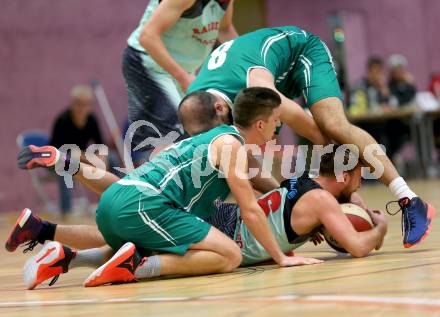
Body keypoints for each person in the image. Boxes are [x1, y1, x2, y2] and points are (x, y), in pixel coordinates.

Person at [11, 87, 322, 290]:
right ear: (258, 123)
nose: (279, 128)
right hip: (142, 206)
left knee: (148, 237)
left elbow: (123, 188)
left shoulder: (192, 143)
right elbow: (251, 208)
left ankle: (63, 256)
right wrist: (282, 257)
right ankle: (136, 267)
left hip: (121, 201)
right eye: (276, 122)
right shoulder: (232, 146)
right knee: (229, 255)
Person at [179, 26, 435, 248]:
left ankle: (409, 199)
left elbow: (318, 135)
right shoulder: (195, 104)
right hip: (266, 71)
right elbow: (247, 167)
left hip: (300, 53)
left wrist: (343, 191)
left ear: (221, 108)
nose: (222, 138)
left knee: (331, 125)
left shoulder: (256, 86)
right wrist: (292, 199)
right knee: (245, 153)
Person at [123, 0, 237, 157]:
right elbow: (147, 36)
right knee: (175, 135)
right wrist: (182, 77)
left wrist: (246, 59)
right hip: (149, 64)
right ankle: (151, 179)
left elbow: (224, 29)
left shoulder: (224, 2)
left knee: (200, 130)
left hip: (181, 71)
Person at [50, 85, 105, 215]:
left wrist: (102, 159)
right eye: (79, 104)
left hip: (82, 157)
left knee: (112, 157)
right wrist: (90, 159)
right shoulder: (62, 120)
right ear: (72, 104)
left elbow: (101, 145)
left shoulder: (92, 119)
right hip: (58, 158)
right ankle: (66, 212)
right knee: (66, 164)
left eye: (86, 104)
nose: (82, 108)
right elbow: (63, 151)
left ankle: (117, 199)